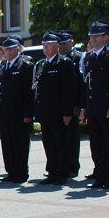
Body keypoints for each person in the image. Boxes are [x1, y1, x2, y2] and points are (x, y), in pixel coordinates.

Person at [80, 20, 109, 190]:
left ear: (106, 37)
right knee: (96, 144)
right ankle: (100, 175)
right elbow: (87, 84)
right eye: (92, 36)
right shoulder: (89, 57)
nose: (94, 39)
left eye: (98, 36)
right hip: (93, 107)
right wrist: (84, 108)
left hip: (107, 108)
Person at [33, 32, 78, 185]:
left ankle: (62, 173)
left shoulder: (64, 63)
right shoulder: (41, 64)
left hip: (59, 113)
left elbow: (69, 90)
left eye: (49, 45)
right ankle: (52, 172)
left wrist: (67, 112)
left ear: (57, 46)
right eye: (44, 45)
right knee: (49, 144)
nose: (45, 48)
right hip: (46, 113)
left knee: (62, 144)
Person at [0, 35, 34, 183]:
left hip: (20, 113)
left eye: (11, 48)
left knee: (20, 144)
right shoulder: (3, 66)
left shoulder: (25, 65)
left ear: (18, 48)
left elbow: (29, 92)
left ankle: (21, 172)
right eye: (6, 48)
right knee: (7, 143)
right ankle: (11, 171)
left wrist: (28, 113)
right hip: (5, 112)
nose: (8, 51)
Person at [58, 31, 83, 178]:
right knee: (61, 138)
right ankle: (62, 165)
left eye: (65, 43)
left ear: (72, 43)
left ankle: (73, 166)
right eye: (60, 44)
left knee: (72, 137)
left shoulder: (78, 58)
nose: (62, 46)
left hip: (73, 104)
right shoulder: (58, 59)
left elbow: (80, 84)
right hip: (59, 105)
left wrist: (79, 105)